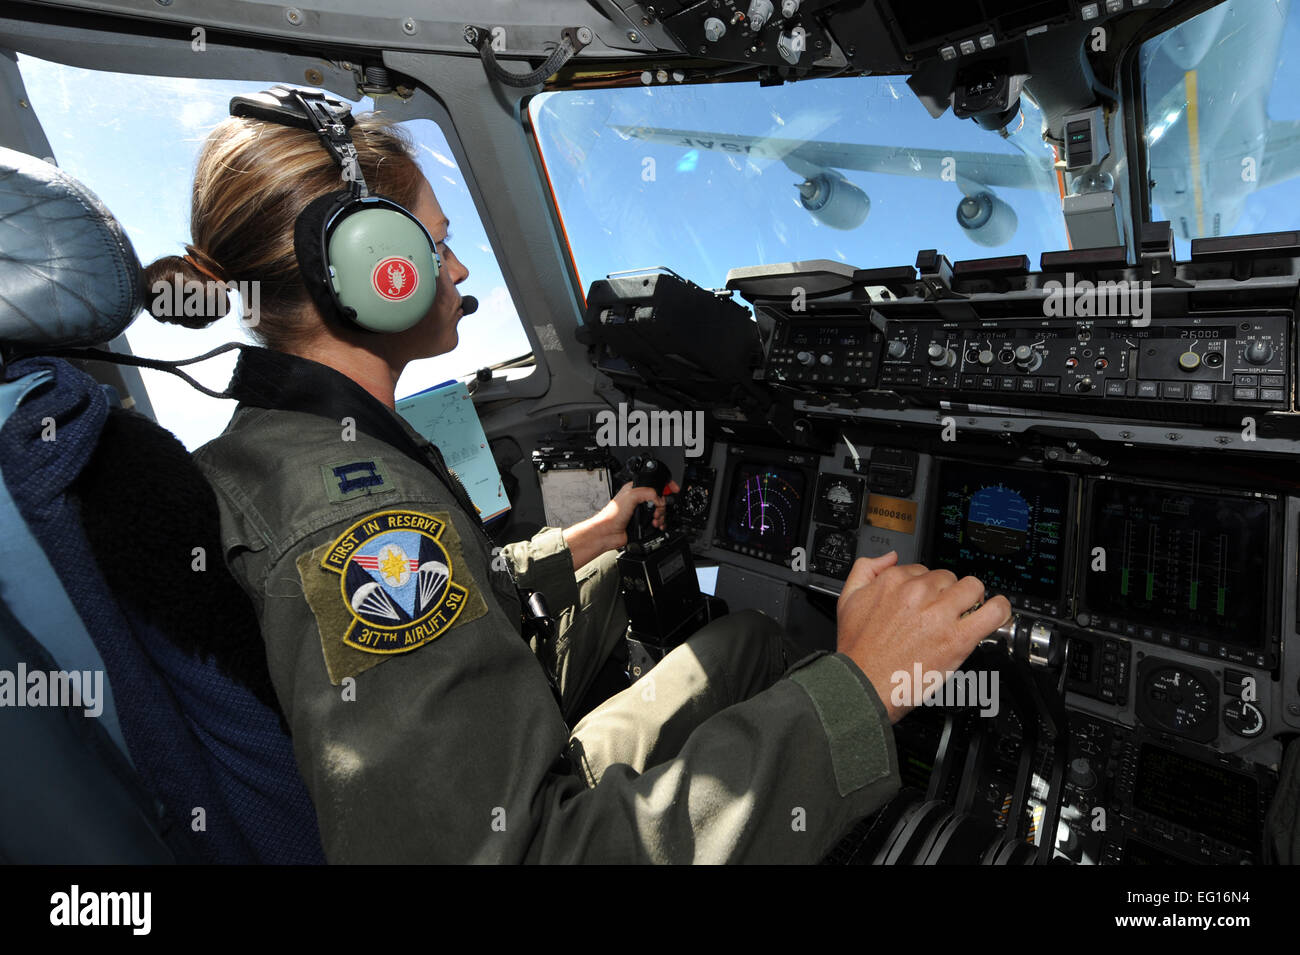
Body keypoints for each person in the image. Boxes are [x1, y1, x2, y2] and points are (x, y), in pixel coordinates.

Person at [146, 90, 1012, 863]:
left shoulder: (295, 448)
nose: (459, 272)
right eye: (439, 247)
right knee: (801, 674)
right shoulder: (353, 516)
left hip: (504, 757)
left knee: (748, 641)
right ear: (378, 272)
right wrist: (866, 687)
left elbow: (450, 597)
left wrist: (591, 538)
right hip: (537, 815)